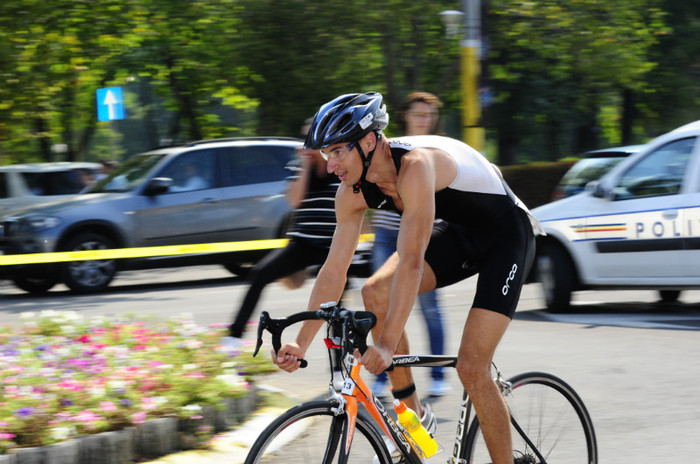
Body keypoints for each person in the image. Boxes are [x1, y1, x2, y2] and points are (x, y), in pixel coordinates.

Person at [272, 92, 543, 464]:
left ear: (368, 141)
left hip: (506, 235)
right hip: (458, 233)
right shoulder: (351, 192)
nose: (331, 164)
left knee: (471, 366)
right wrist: (301, 343)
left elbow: (412, 264)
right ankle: (415, 425)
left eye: (337, 151)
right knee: (375, 291)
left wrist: (384, 346)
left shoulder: (415, 166)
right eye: (325, 154)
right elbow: (333, 270)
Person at [227, 120, 341, 344]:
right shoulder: (299, 167)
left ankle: (340, 352)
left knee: (334, 300)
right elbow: (294, 200)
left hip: (334, 245)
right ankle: (233, 337)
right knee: (259, 274)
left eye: (314, 137)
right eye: (306, 137)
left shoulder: (339, 165)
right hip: (303, 244)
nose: (309, 143)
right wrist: (306, 165)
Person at [370, 91, 449, 398]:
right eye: (418, 114)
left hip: (424, 232)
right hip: (387, 234)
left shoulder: (436, 149)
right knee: (380, 303)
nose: (423, 119)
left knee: (429, 307)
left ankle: (439, 372)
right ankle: (386, 375)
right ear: (405, 116)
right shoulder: (391, 147)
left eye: (428, 115)